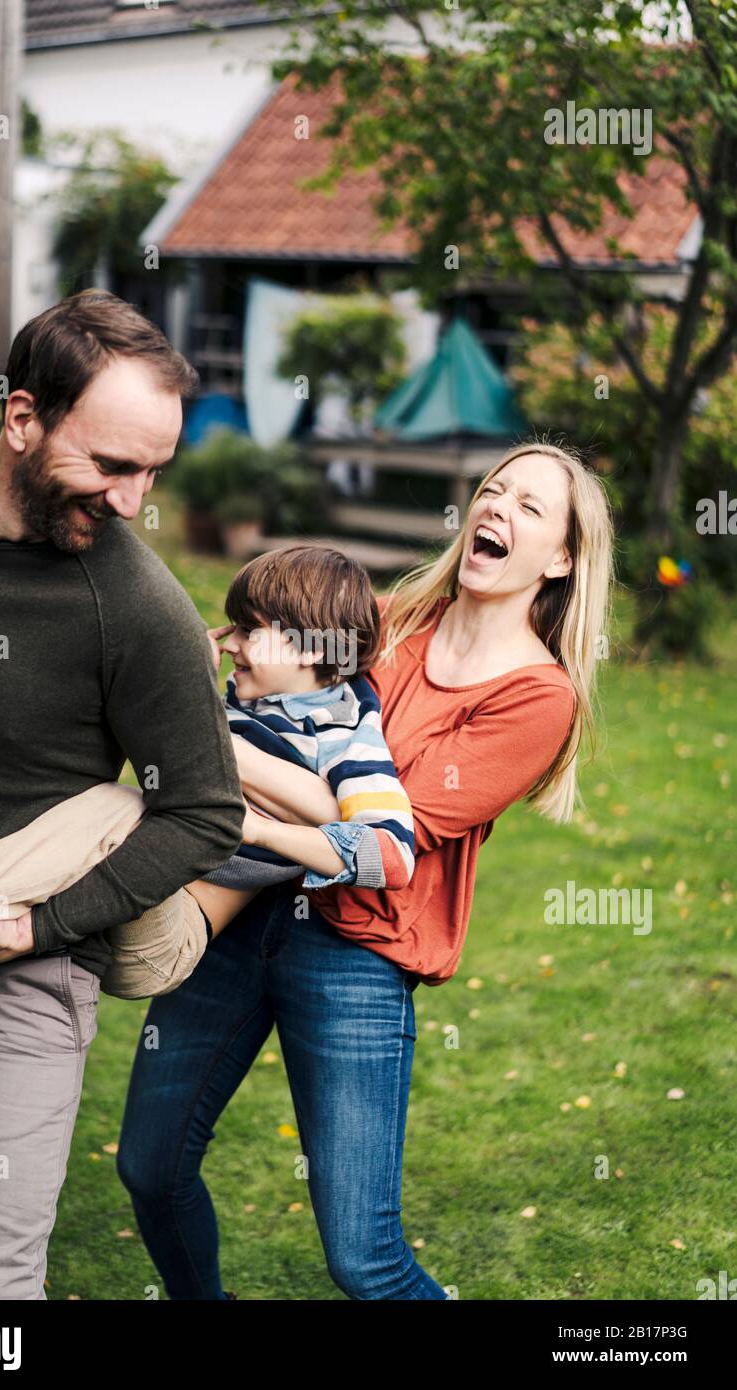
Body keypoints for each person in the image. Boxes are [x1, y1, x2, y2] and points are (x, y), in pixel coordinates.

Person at [115, 441, 613, 1300]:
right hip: (243, 911)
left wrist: (217, 751)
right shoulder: (382, 625)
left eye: (530, 507)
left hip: (356, 954)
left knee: (363, 1260)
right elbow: (257, 679)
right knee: (149, 1172)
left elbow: (388, 836)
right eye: (493, 491)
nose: (497, 508)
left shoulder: (539, 698)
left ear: (562, 557)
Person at [0, 290, 246, 1300]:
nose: (133, 500)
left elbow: (206, 812)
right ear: (23, 417)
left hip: (14, 993)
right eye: (113, 465)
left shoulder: (135, 605)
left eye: (153, 472)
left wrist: (42, 925)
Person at [0, 545, 415, 992]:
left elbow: (391, 856)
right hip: (123, 893)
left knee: (126, 807)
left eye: (250, 630)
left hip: (171, 937)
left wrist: (258, 830)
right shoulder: (243, 703)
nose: (234, 644)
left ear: (306, 646)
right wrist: (180, 668)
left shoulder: (345, 733)